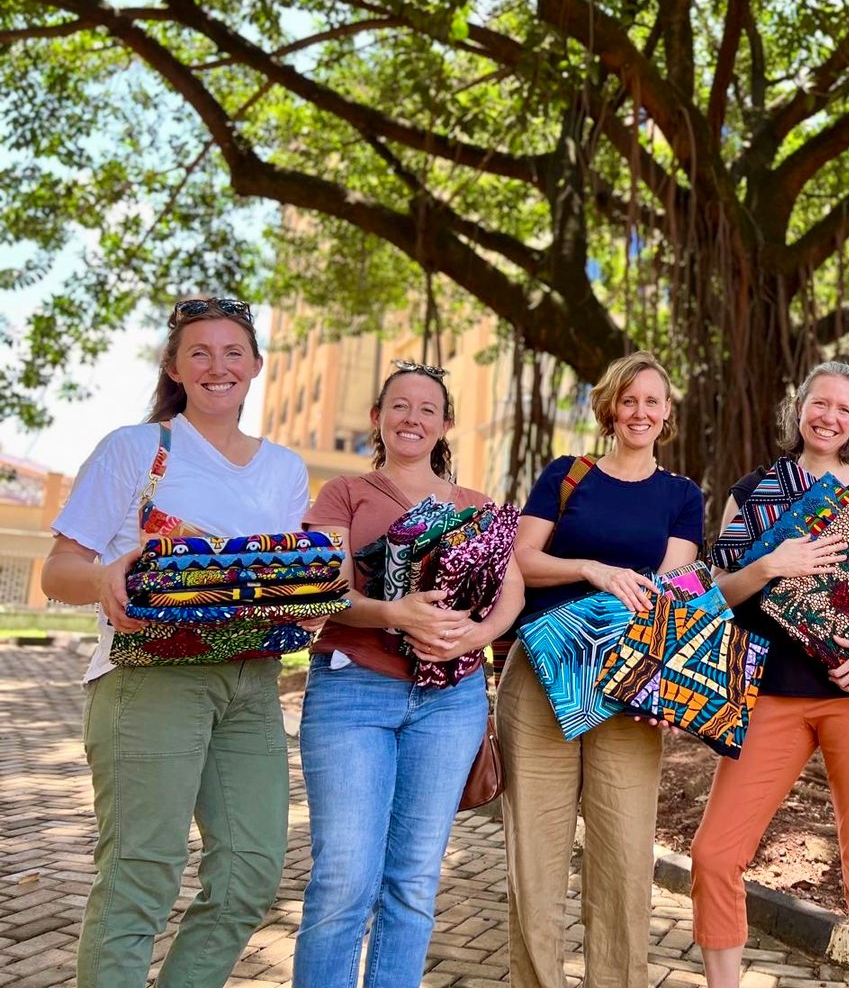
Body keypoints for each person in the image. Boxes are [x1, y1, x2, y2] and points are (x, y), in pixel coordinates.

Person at [42, 297, 311, 988]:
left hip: (249, 680)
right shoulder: (137, 449)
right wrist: (106, 576)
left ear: (255, 365)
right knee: (142, 875)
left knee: (250, 874)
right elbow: (58, 571)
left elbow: (272, 580)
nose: (218, 366)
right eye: (200, 352)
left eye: (233, 353)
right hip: (149, 677)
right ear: (174, 365)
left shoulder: (284, 469)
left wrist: (307, 600)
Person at [691, 361, 849, 988]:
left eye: (844, 409)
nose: (829, 417)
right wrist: (769, 563)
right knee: (714, 853)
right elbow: (718, 591)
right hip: (772, 693)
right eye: (819, 403)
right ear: (798, 407)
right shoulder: (755, 489)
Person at [292, 360, 524, 987]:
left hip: (450, 703)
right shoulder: (344, 493)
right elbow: (324, 593)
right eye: (399, 406)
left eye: (427, 409)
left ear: (446, 424)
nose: (412, 418)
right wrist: (392, 612)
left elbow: (512, 592)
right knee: (344, 876)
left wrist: (473, 636)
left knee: (415, 879)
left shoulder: (478, 508)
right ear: (378, 417)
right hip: (353, 689)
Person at [499, 351, 704, 988]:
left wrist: (672, 684)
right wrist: (590, 569)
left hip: (629, 686)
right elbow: (521, 561)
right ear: (610, 409)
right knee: (534, 853)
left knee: (623, 858)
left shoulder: (681, 496)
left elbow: (670, 588)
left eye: (653, 401)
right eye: (629, 400)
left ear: (667, 414)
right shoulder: (568, 476)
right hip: (541, 675)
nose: (640, 411)